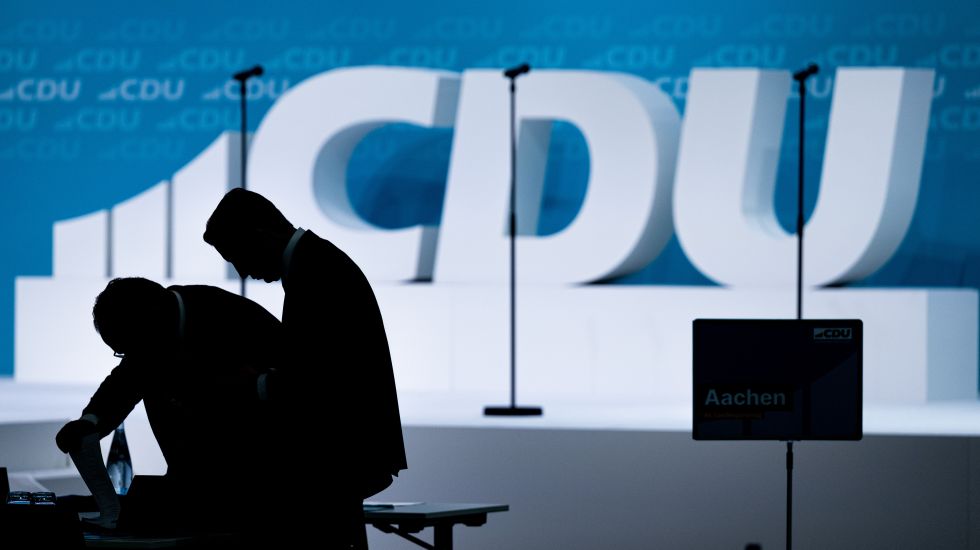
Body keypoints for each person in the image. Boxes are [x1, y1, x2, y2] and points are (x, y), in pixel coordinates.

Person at [204, 188, 407, 548]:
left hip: (336, 453)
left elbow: (320, 377)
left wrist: (257, 384)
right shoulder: (318, 263)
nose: (243, 272)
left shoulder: (314, 272)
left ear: (261, 234)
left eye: (238, 256)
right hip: (349, 449)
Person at [55, 277, 284, 537]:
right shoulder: (151, 335)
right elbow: (124, 382)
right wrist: (90, 422)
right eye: (123, 354)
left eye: (130, 350)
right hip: (191, 493)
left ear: (151, 325)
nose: (131, 360)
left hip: (260, 493)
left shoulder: (236, 320)